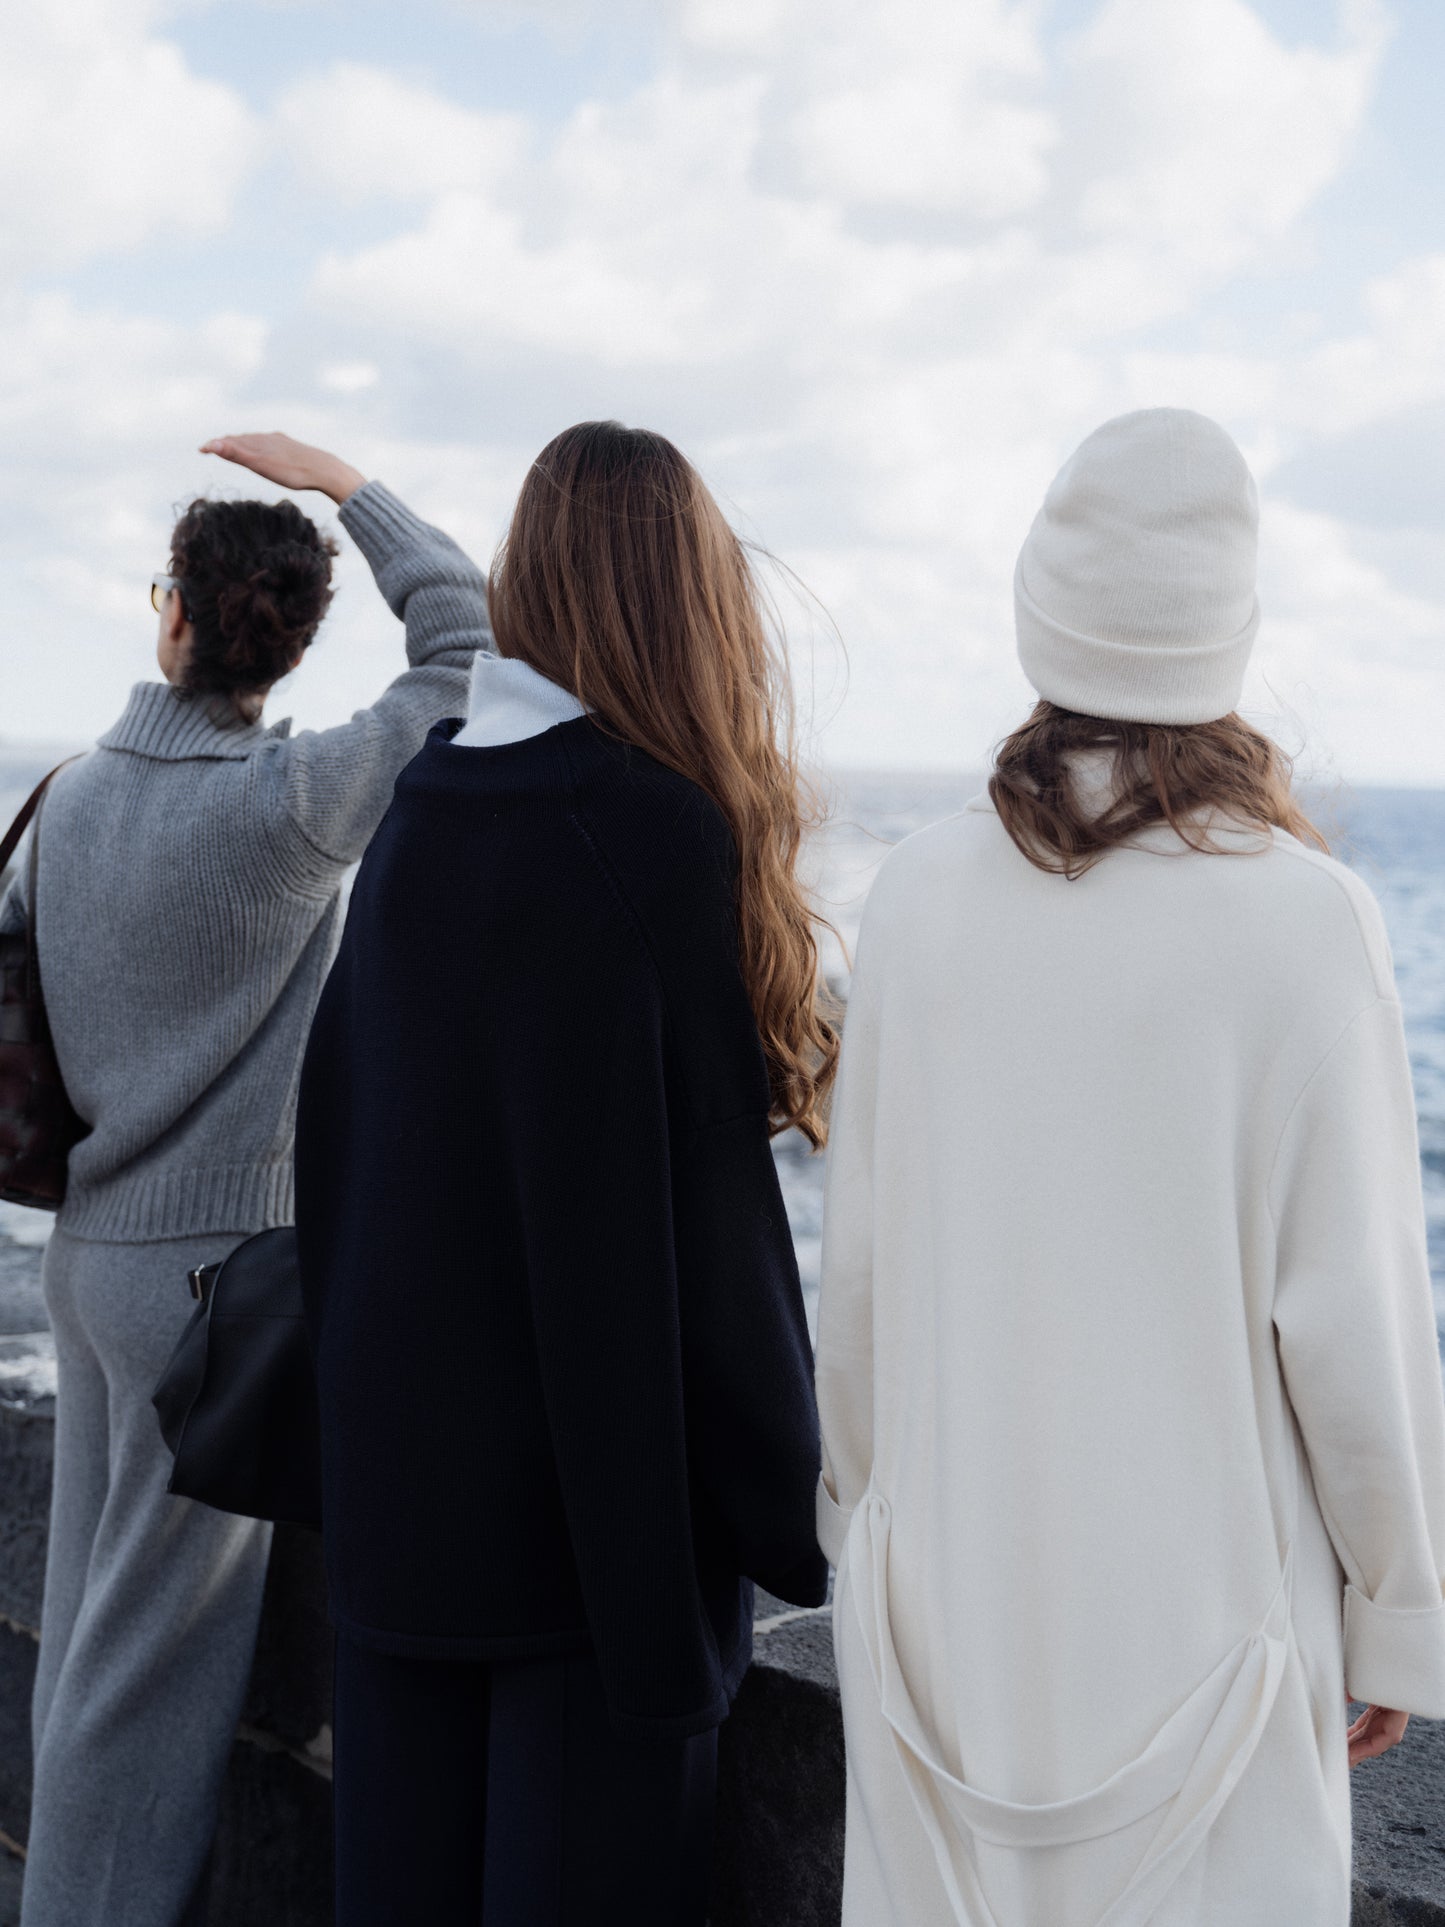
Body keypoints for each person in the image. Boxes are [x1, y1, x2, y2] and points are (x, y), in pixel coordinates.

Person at [814, 408, 1445, 1927]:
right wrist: (1396, 1618)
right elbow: (1353, 1324)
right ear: (1224, 640)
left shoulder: (914, 895)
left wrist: (858, 1527)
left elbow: (863, 1280)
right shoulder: (1304, 921)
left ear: (1042, 615)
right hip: (1204, 1636)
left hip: (938, 1622)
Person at [294, 419, 833, 1926]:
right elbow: (717, 1246)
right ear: (690, 600)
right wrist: (803, 1515)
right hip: (591, 1555)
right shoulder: (656, 832)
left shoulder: (428, 798)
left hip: (402, 1527)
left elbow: (338, 1144)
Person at [4, 432, 489, 1927]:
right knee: (145, 1685)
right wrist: (349, 488)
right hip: (213, 1285)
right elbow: (466, 646)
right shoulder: (292, 809)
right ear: (283, 642)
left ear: (172, 616)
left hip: (86, 1265)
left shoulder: (68, 798)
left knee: (88, 1643)